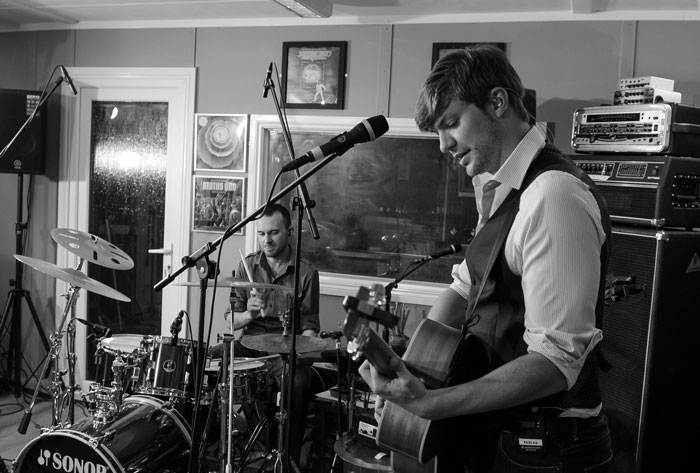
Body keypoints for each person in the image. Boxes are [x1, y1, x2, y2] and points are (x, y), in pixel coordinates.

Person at [358, 45, 613, 473]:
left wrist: (431, 403)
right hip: (500, 434)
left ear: (497, 102)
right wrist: (413, 375)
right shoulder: (498, 186)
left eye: (451, 123)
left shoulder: (553, 195)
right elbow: (466, 287)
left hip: (543, 449)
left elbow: (555, 362)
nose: (444, 145)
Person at [221, 202, 336, 471]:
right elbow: (231, 321)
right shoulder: (247, 266)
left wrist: (301, 353)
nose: (267, 240)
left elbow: (309, 326)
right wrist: (249, 313)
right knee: (211, 360)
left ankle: (287, 460)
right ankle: (223, 447)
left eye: (273, 233)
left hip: (286, 348)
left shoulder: (306, 273)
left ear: (289, 232)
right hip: (251, 343)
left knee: (296, 382)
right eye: (261, 234)